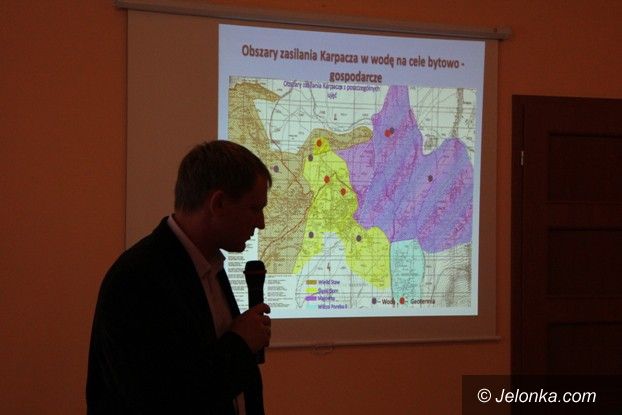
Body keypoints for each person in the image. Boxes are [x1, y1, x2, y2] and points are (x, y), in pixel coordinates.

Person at [87, 140, 272, 414]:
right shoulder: (136, 279)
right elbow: (163, 398)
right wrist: (240, 344)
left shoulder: (210, 265)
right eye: (254, 209)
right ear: (218, 203)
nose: (261, 223)